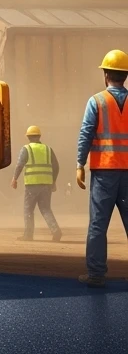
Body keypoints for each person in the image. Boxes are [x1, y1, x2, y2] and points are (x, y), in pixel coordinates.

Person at [76, 49, 128, 287]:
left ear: (106, 75)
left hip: (105, 173)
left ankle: (96, 275)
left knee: (98, 225)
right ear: (125, 76)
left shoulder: (96, 101)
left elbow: (86, 133)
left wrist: (80, 163)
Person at [10, 125, 62, 242]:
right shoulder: (48, 149)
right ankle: (56, 231)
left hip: (32, 185)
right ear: (39, 136)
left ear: (28, 137)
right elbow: (56, 166)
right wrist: (53, 181)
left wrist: (14, 179)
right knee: (45, 209)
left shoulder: (26, 149)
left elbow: (20, 165)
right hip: (46, 185)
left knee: (28, 210)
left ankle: (28, 235)